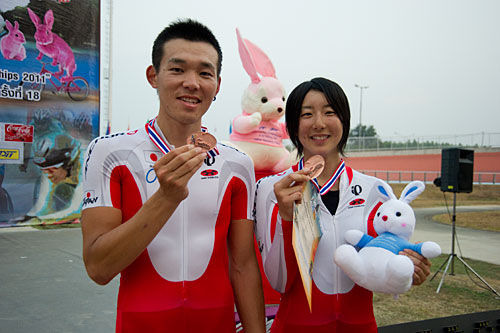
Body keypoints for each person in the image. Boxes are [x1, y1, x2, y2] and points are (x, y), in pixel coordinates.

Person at [81, 19, 265, 332]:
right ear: (153, 76)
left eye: (205, 73)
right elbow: (99, 267)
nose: (192, 83)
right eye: (177, 69)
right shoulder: (110, 153)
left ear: (217, 85)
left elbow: (243, 265)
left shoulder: (236, 164)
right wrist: (165, 197)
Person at [254, 77, 432, 332]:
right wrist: (286, 217)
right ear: (293, 124)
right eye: (307, 114)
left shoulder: (376, 190)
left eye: (330, 112)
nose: (319, 123)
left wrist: (408, 270)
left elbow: (382, 263)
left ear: (344, 122)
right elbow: (279, 282)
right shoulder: (271, 189)